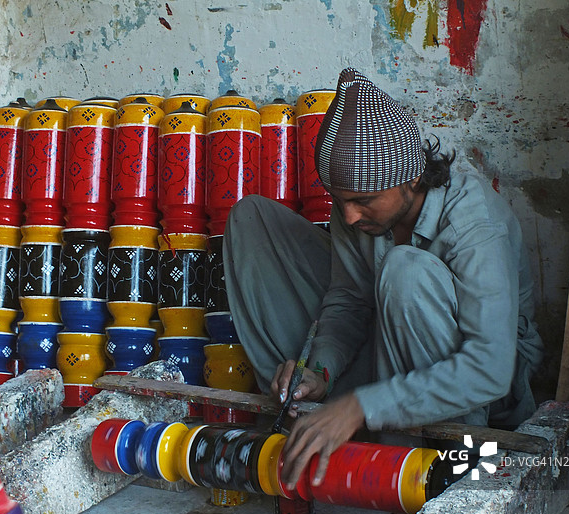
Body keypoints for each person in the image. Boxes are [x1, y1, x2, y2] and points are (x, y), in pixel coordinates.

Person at [222, 67, 544, 491]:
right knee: (251, 218)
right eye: (340, 201)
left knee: (405, 269)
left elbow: (490, 370)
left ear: (412, 177)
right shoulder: (356, 211)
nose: (350, 215)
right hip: (387, 360)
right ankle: (307, 414)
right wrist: (319, 371)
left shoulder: (473, 222)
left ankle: (442, 470)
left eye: (364, 201)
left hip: (478, 391)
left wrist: (361, 406)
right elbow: (349, 302)